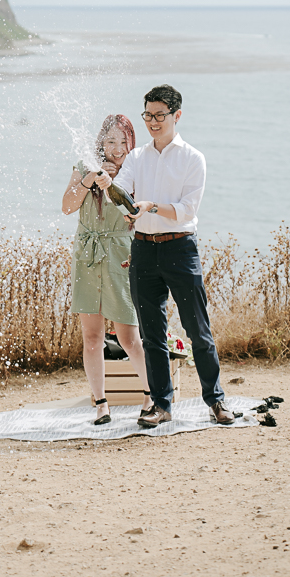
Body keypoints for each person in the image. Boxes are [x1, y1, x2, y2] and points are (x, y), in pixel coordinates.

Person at [98, 84, 233, 429]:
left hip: (180, 249)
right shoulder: (137, 157)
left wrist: (149, 206)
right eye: (148, 115)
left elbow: (187, 210)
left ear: (177, 116)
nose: (153, 122)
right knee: (152, 335)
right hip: (142, 249)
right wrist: (112, 191)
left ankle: (215, 401)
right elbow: (124, 193)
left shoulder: (193, 158)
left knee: (197, 330)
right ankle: (160, 405)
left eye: (160, 115)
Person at [62, 114, 153, 424]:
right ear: (100, 142)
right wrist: (90, 179)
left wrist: (113, 185)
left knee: (129, 336)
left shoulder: (137, 167)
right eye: (110, 141)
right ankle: (101, 404)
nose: (117, 148)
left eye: (123, 142)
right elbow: (67, 205)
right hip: (87, 255)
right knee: (92, 336)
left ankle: (151, 396)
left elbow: (133, 214)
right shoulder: (84, 166)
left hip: (120, 255)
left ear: (131, 143)